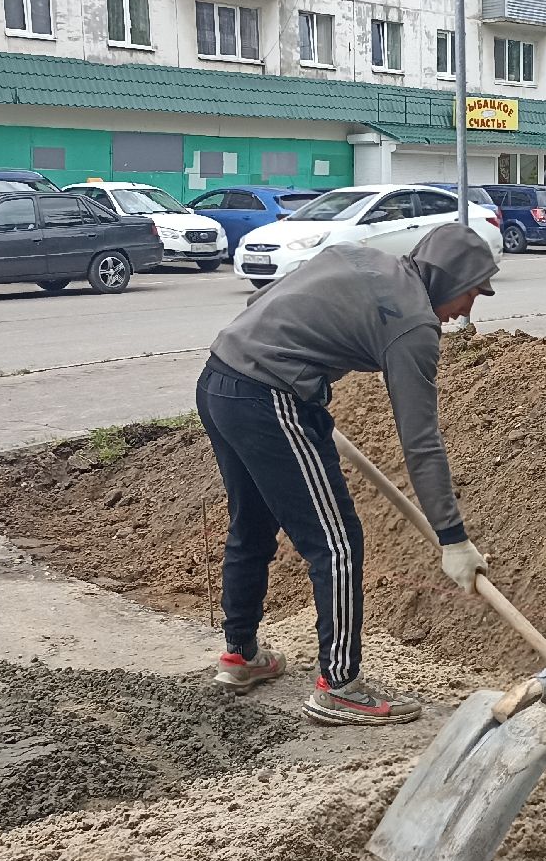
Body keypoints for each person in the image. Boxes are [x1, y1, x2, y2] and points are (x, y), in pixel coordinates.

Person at [194, 225, 498, 726]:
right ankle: (339, 685)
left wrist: (305, 387)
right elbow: (421, 441)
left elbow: (273, 300)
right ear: (450, 280)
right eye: (470, 292)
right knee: (336, 544)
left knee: (252, 524)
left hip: (220, 376)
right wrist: (453, 537)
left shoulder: (360, 257)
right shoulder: (414, 325)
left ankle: (240, 655)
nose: (467, 309)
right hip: (269, 397)